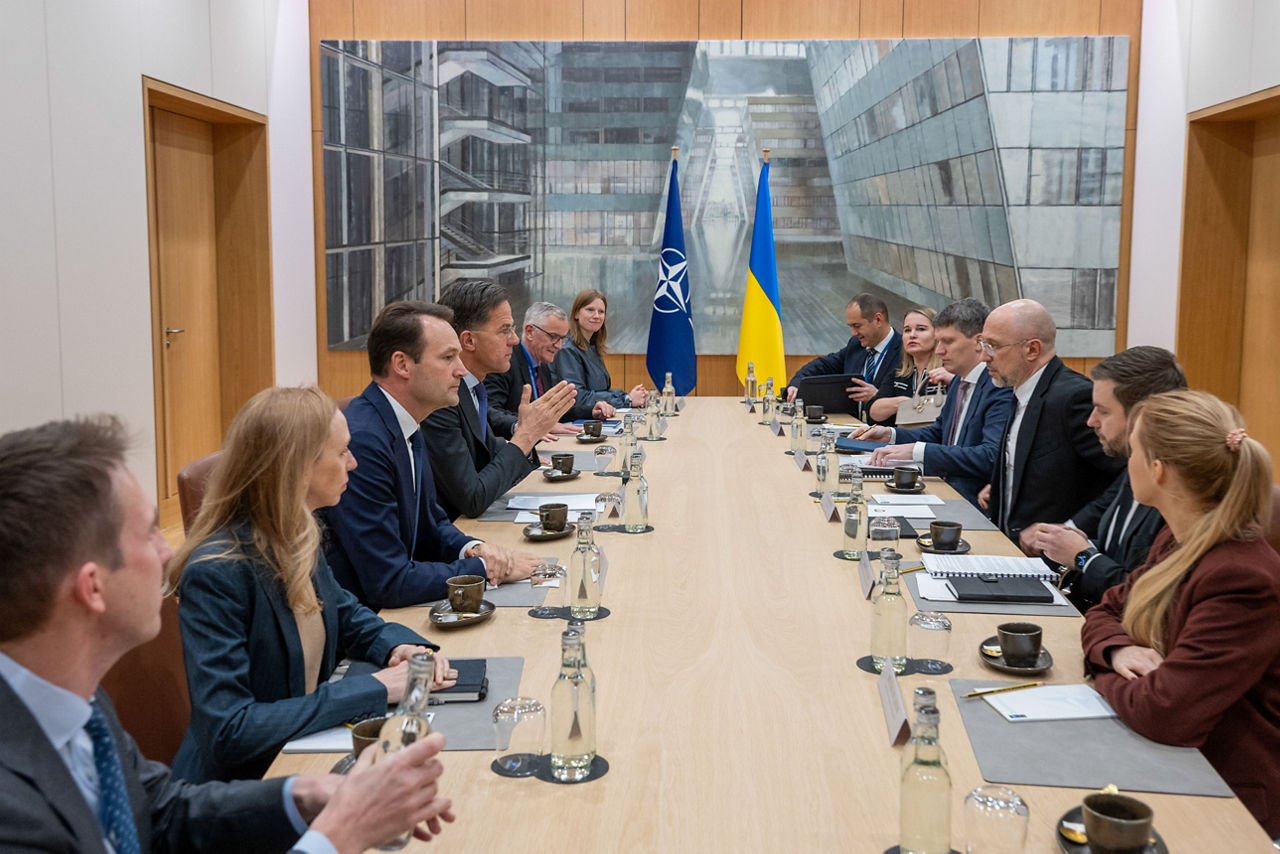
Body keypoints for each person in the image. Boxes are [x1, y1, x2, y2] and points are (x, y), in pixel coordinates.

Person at [0, 416, 455, 853]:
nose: (168, 552)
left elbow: (160, 813)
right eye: (148, 533)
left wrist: (304, 794)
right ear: (93, 587)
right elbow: (228, 731)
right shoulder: (15, 816)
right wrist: (337, 836)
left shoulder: (78, 703)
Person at [170, 387, 458, 783]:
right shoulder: (216, 573)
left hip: (300, 751)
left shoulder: (297, 530)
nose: (353, 463)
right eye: (342, 452)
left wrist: (398, 645)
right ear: (298, 467)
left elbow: (344, 611)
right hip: (246, 785)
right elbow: (230, 731)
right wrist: (375, 688)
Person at [1081, 391, 1280, 837]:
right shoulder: (1178, 537)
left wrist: (1103, 672)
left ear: (1158, 469)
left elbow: (1164, 712)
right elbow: (1107, 609)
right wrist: (1116, 652)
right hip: (1167, 759)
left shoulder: (1242, 577)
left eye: (1134, 451)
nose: (1127, 462)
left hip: (1227, 799)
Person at [323, 300, 537, 609]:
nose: (461, 370)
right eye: (448, 357)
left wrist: (474, 549)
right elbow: (389, 581)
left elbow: (432, 523)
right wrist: (483, 569)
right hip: (368, 619)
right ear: (402, 365)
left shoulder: (406, 421)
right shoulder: (364, 442)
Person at [1019, 347, 1187, 610]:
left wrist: (1082, 556)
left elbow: (1142, 594)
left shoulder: (1178, 494)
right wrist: (1062, 541)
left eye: (1103, 411)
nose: (1091, 421)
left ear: (1143, 415)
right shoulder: (1134, 464)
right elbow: (1115, 548)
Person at [423, 281, 576, 519]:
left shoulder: (471, 389)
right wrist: (525, 436)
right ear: (469, 341)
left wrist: (527, 439)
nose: (514, 340)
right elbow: (472, 498)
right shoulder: (441, 398)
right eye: (505, 330)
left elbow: (489, 450)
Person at [976, 298, 1123, 539]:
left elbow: (1126, 477)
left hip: (1052, 554)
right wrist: (1005, 484)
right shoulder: (1022, 387)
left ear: (1032, 350)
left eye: (993, 346)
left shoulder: (1074, 398)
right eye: (983, 344)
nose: (984, 356)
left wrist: (1071, 528)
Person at [856, 299, 1013, 508]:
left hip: (969, 502)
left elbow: (990, 456)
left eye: (947, 341)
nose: (939, 351)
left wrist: (918, 451)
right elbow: (939, 433)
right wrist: (890, 435)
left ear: (978, 342)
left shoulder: (998, 385)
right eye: (938, 342)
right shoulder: (959, 380)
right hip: (941, 489)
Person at [485, 301, 614, 437]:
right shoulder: (505, 363)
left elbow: (551, 411)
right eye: (553, 337)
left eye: (562, 339)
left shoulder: (543, 365)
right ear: (530, 332)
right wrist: (529, 425)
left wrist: (591, 411)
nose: (559, 346)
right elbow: (489, 413)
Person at [784, 293, 901, 419]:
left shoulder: (906, 352)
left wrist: (878, 397)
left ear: (878, 320)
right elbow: (823, 365)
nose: (853, 333)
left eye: (857, 326)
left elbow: (911, 404)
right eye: (851, 327)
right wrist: (796, 384)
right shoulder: (856, 345)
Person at [555, 288, 648, 412]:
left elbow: (602, 391)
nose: (596, 316)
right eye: (590, 310)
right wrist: (627, 400)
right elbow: (577, 397)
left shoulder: (592, 347)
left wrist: (627, 395)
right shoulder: (567, 350)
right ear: (576, 314)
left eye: (601, 312)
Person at [866, 305, 949, 425]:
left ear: (937, 334)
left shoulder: (948, 373)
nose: (912, 335)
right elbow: (873, 412)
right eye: (907, 330)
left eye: (921, 329)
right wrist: (901, 403)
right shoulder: (899, 373)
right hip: (902, 435)